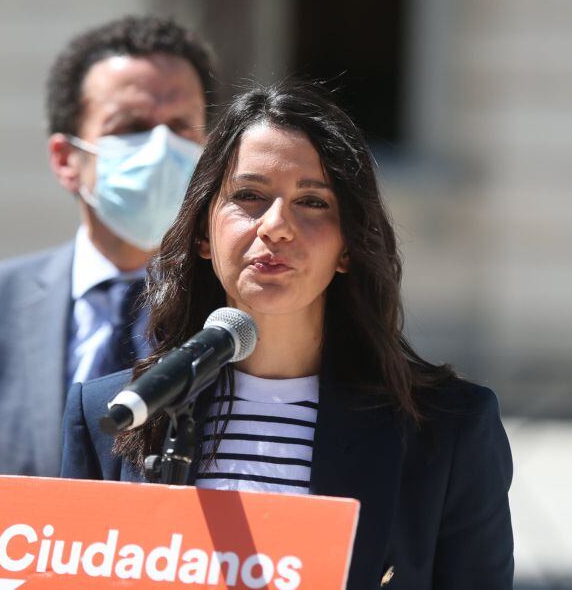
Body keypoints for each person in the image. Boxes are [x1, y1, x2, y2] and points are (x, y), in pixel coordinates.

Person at [60, 82, 515, 589]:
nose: (276, 226)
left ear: (347, 248)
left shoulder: (447, 431)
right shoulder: (115, 412)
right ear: (203, 234)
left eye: (313, 201)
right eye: (248, 196)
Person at [0, 15, 217, 590]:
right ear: (66, 158)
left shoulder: (239, 319)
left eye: (181, 128)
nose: (160, 149)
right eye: (132, 127)